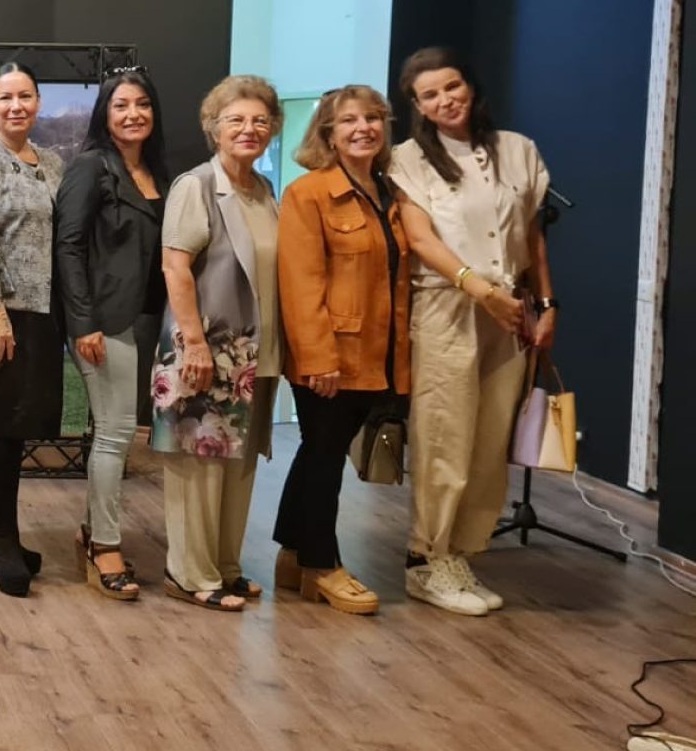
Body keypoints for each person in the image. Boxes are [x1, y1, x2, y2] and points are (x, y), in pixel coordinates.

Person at [389, 47, 553, 617]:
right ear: (416, 106)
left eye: (451, 86)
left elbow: (532, 235)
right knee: (444, 435)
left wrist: (547, 303)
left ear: (471, 86)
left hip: (511, 309)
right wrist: (476, 288)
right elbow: (420, 238)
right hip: (448, 307)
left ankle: (461, 553)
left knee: (489, 442)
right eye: (429, 94)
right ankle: (425, 557)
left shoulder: (518, 149)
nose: (444, 100)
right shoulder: (408, 159)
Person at [274, 85, 410, 616]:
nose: (364, 128)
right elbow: (301, 283)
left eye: (373, 117)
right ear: (327, 133)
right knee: (326, 456)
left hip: (377, 354)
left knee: (318, 452)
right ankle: (322, 565)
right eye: (349, 120)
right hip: (330, 358)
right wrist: (316, 359)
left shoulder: (389, 192)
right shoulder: (309, 194)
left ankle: (292, 555)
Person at [155, 75, 284, 613]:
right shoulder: (198, 186)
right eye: (236, 120)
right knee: (199, 466)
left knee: (239, 464)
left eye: (259, 121)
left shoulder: (264, 191)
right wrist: (195, 345)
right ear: (214, 129)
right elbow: (175, 266)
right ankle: (189, 573)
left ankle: (226, 568)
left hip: (257, 355)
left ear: (273, 129)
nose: (248, 129)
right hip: (208, 350)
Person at [54, 67, 168, 601]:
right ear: (105, 113)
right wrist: (84, 322)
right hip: (101, 322)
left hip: (144, 321)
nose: (133, 114)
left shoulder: (156, 175)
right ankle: (104, 546)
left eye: (142, 104)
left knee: (118, 433)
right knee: (116, 432)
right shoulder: (90, 167)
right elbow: (69, 247)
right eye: (121, 105)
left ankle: (91, 531)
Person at [0, 63, 65, 598]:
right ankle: (2, 534)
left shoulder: (52, 163)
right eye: (5, 97)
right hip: (1, 314)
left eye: (25, 96)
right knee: (3, 423)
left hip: (44, 312)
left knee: (22, 425)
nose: (16, 106)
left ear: (38, 102)